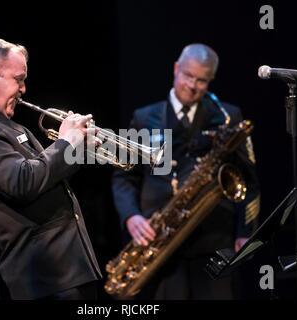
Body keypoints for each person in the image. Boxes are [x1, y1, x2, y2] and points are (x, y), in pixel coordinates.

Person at [0, 37, 102, 300]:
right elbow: (23, 182)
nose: (24, 89)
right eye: (19, 79)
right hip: (46, 276)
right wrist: (67, 142)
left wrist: (80, 148)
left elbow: (43, 174)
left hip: (67, 271)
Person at [111, 43, 260, 299]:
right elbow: (123, 176)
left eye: (202, 80)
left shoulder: (228, 117)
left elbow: (249, 181)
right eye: (189, 76)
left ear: (211, 80)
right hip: (161, 244)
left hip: (214, 242)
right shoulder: (143, 118)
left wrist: (245, 232)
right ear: (176, 69)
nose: (193, 85)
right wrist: (131, 216)